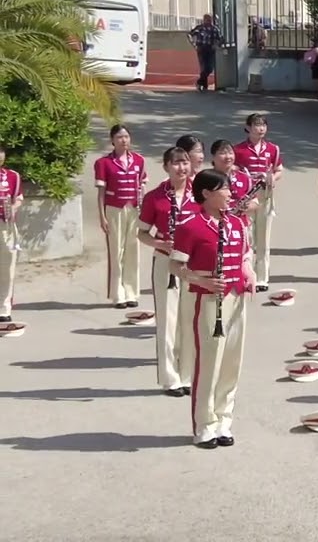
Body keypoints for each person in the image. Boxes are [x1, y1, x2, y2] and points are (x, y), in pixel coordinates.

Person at [171, 169, 255, 449]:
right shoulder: (190, 225)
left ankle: (223, 421)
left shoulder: (237, 223)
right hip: (207, 301)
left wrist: (249, 272)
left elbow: (245, 254)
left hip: (236, 298)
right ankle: (204, 425)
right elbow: (176, 265)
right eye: (224, 188)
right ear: (206, 193)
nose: (230, 192)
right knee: (209, 364)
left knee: (232, 363)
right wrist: (201, 279)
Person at [138, 147, 201, 397]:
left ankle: (186, 375)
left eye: (185, 163)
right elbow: (141, 233)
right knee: (167, 320)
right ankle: (169, 378)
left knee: (189, 318)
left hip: (193, 264)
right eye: (176, 163)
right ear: (166, 167)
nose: (181, 168)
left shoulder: (200, 193)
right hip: (165, 262)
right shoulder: (155, 197)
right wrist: (158, 243)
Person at [94, 124, 146, 309]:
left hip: (134, 209)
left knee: (133, 249)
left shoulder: (139, 160)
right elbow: (101, 192)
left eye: (126, 136)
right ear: (112, 141)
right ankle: (118, 294)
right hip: (114, 209)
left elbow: (142, 186)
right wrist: (102, 216)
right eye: (119, 137)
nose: (123, 140)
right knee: (116, 251)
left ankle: (131, 292)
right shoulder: (104, 163)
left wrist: (144, 211)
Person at [233, 114, 284, 292]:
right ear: (247, 127)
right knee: (247, 237)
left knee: (264, 237)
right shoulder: (238, 149)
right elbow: (233, 171)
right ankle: (247, 275)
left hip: (265, 195)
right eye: (256, 125)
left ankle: (262, 278)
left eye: (263, 125)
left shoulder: (272, 149)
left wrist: (272, 178)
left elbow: (278, 169)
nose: (260, 129)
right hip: (246, 196)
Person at [0, 145, 22, 324]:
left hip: (6, 226)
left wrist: (12, 209)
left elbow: (18, 198)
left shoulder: (12, 176)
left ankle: (4, 308)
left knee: (7, 267)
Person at [209, 140, 259, 219]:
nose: (228, 156)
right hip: (214, 222)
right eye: (222, 153)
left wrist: (248, 206)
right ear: (213, 157)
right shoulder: (207, 178)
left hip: (239, 224)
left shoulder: (244, 177)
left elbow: (255, 201)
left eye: (230, 153)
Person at [187, 13, 223, 93]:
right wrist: (193, 44)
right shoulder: (200, 28)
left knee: (209, 68)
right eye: (207, 19)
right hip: (201, 49)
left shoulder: (215, 29)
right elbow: (189, 34)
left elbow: (220, 38)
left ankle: (199, 82)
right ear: (204, 20)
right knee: (203, 67)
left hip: (210, 49)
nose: (208, 21)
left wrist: (216, 45)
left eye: (209, 20)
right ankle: (204, 85)